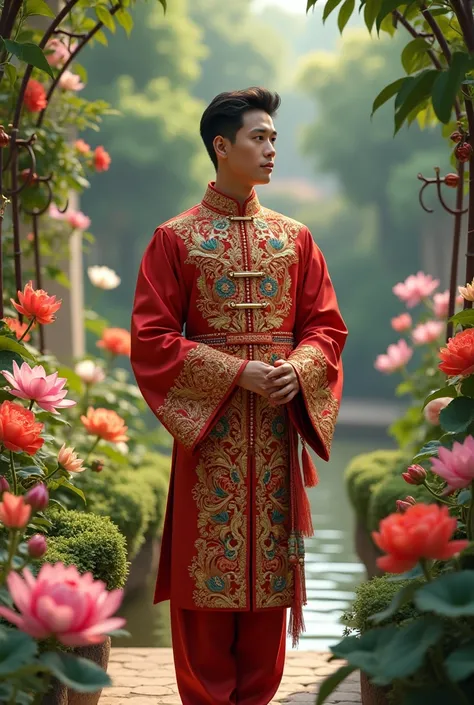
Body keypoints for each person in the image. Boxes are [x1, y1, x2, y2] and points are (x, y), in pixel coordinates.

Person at [130, 87, 347, 705]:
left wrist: (299, 370)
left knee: (268, 591)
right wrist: (234, 372)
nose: (272, 149)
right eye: (260, 137)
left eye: (275, 137)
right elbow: (150, 339)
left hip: (276, 438)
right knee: (207, 585)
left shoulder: (296, 239)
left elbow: (326, 328)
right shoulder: (174, 239)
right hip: (211, 443)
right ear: (222, 147)